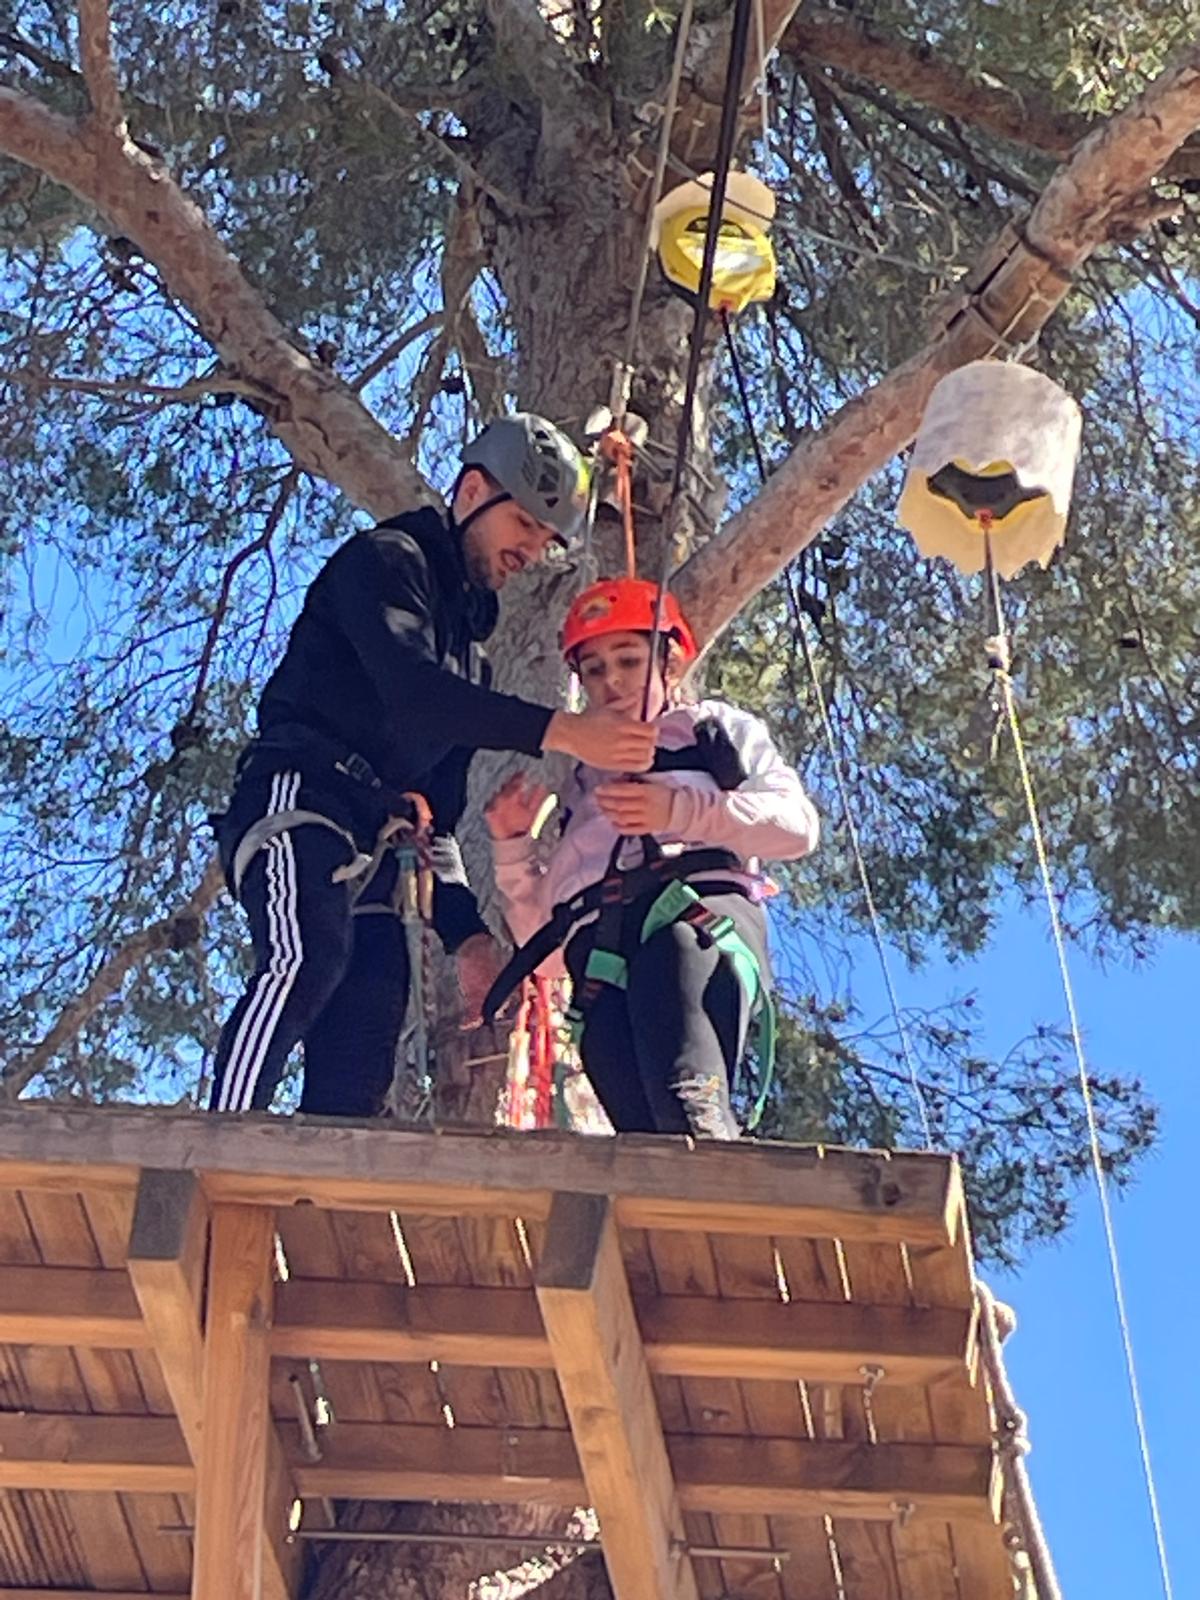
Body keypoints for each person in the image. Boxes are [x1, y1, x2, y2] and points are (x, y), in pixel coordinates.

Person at [208, 415, 657, 1116]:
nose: (532, 550)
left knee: (368, 1021)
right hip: (301, 793)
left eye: (546, 539)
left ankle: (320, 1177)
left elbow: (438, 821)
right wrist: (566, 731)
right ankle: (216, 1140)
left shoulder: (469, 661)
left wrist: (468, 939)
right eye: (525, 524)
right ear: (472, 490)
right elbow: (413, 693)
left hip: (380, 843)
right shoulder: (388, 562)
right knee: (308, 958)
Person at [483, 576, 819, 1139]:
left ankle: (713, 1156)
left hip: (695, 920)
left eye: (629, 660)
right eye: (594, 670)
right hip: (600, 960)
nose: (612, 680)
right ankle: (682, 1186)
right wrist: (513, 848)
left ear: (671, 662)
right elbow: (547, 954)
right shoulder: (579, 781)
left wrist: (678, 810)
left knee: (683, 1081)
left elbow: (796, 829)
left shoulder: (710, 731)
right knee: (640, 1132)